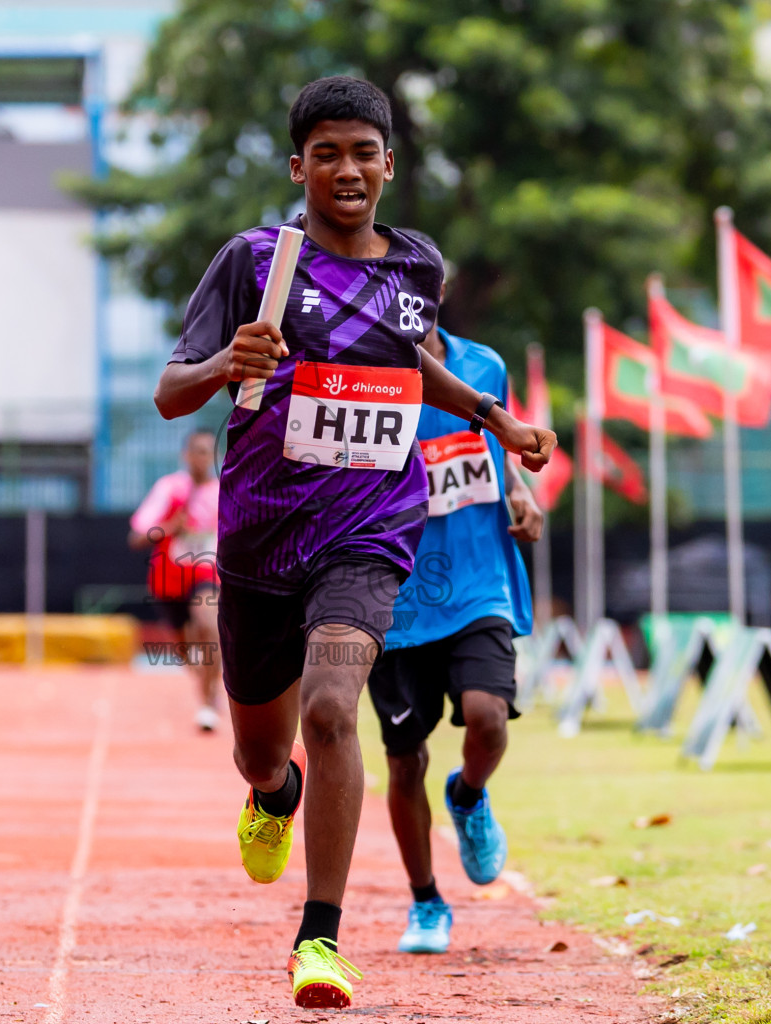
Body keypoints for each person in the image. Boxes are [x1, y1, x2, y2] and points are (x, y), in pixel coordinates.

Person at [152, 76, 555, 1009]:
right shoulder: (254, 262)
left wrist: (496, 415)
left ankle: (319, 940)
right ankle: (274, 794)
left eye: (363, 151)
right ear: (298, 166)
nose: (346, 168)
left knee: (336, 706)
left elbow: (409, 359)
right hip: (259, 541)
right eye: (325, 151)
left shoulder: (415, 267)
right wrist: (226, 362)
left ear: (386, 165)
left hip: (368, 532)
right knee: (264, 749)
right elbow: (173, 390)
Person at [366, 231, 543, 955]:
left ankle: (468, 796)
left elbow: (496, 446)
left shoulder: (483, 367)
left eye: (421, 287)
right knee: (404, 759)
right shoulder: (364, 372)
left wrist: (524, 491)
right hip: (396, 595)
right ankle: (426, 901)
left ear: (437, 292)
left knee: (487, 718)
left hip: (478, 579)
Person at [129, 430, 222, 731]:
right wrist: (170, 528)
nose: (201, 458)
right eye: (196, 451)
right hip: (169, 580)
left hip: (207, 574)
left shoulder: (223, 493)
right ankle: (204, 679)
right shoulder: (169, 489)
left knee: (209, 624)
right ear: (185, 455)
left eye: (207, 452)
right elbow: (137, 539)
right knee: (185, 651)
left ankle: (208, 704)